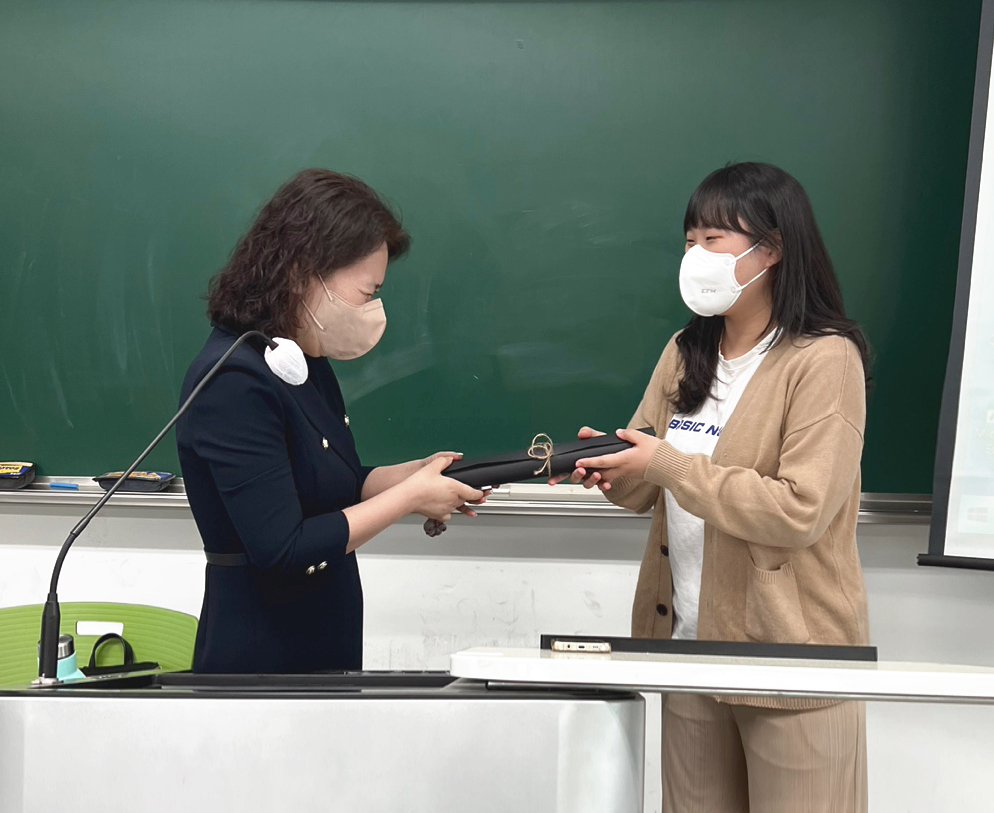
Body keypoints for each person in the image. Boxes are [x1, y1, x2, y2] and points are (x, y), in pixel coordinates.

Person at [556, 162, 871, 812]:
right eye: (689, 240)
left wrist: (666, 463)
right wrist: (610, 467)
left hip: (791, 658)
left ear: (771, 250)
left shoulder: (824, 358)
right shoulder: (685, 350)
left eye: (713, 240)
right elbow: (647, 485)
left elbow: (799, 509)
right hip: (688, 648)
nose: (694, 256)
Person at [176, 168, 485, 674]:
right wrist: (409, 498)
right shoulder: (233, 379)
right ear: (304, 271)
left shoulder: (300, 359)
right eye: (366, 292)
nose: (372, 308)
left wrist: (411, 474)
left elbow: (336, 483)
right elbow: (283, 547)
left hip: (324, 637)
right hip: (260, 656)